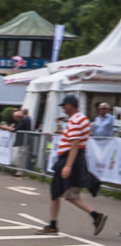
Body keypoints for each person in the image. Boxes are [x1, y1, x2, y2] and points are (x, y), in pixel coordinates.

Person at [37, 94, 106, 236]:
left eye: (64, 106)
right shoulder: (83, 118)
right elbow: (76, 140)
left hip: (69, 158)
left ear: (69, 105)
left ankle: (53, 224)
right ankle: (95, 216)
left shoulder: (75, 121)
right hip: (76, 158)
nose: (63, 108)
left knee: (56, 191)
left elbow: (74, 144)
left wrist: (67, 166)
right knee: (70, 194)